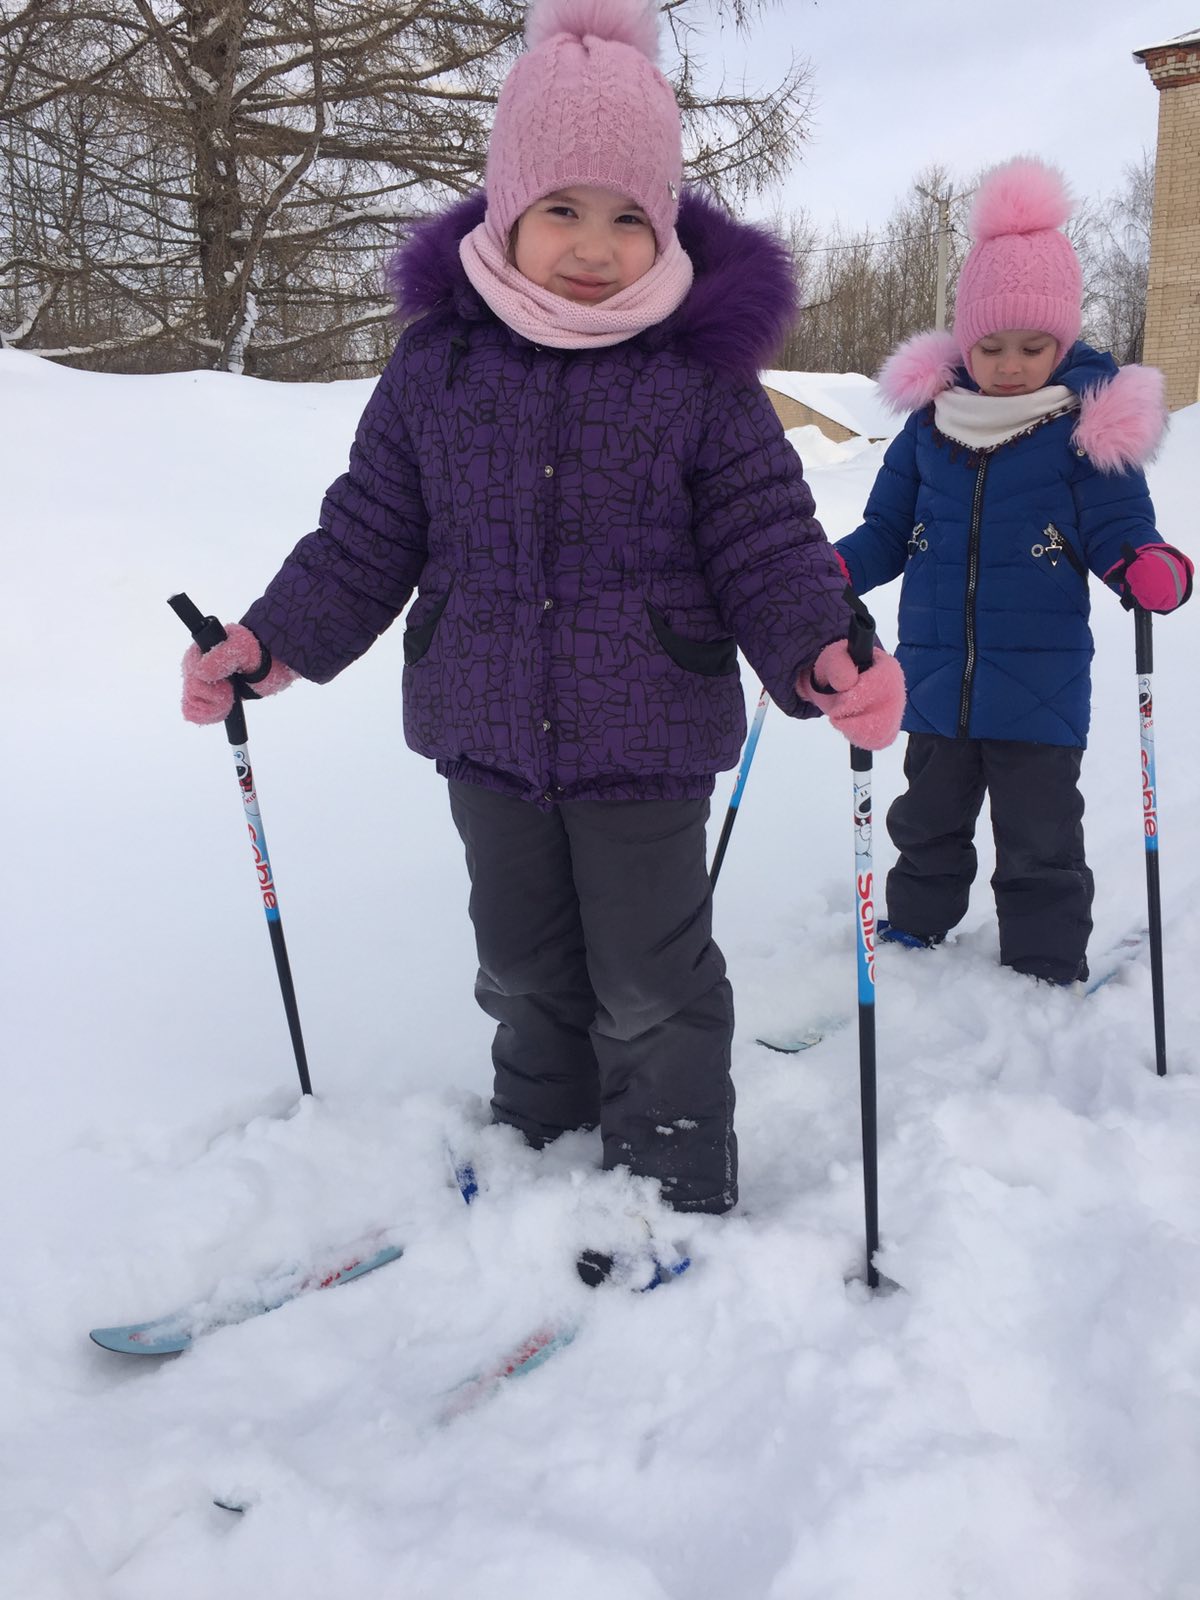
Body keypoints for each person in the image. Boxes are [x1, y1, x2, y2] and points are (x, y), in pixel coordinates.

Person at [180, 0, 905, 1215]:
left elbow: (767, 546)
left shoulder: (703, 384)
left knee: (648, 977)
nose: (592, 243)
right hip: (486, 730)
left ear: (667, 226)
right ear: (506, 208)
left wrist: (822, 651)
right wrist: (271, 640)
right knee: (519, 965)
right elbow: (368, 531)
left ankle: (671, 1162)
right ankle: (540, 1131)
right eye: (562, 207)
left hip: (649, 734)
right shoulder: (438, 368)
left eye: (629, 216)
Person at [834, 157, 1192, 987]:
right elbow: (886, 530)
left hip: (1040, 685)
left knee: (1039, 834)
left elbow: (1119, 531)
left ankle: (1042, 959)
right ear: (965, 338)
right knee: (926, 819)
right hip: (932, 675)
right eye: (990, 344)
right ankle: (919, 926)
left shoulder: (1085, 428)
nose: (1010, 363)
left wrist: (1145, 566)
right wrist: (826, 572)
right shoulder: (930, 428)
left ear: (1062, 340)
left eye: (1034, 346)